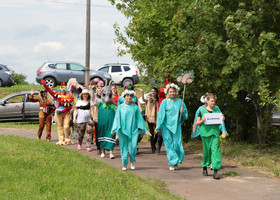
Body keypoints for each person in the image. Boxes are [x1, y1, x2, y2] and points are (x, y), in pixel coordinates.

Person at [111, 90, 150, 171]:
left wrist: (142, 129)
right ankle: (124, 164)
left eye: (130, 96)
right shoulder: (120, 107)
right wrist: (114, 128)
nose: (128, 97)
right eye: (127, 96)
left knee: (132, 147)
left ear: (132, 97)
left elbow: (139, 118)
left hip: (133, 130)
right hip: (122, 130)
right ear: (124, 97)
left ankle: (132, 161)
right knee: (123, 147)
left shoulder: (135, 107)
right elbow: (117, 118)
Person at [155, 83, 188, 171]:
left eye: (174, 91)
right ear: (167, 92)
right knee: (169, 144)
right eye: (170, 92)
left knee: (177, 144)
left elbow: (185, 116)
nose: (172, 93)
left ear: (176, 92)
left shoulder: (180, 101)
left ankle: (177, 160)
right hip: (166, 126)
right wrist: (158, 126)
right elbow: (161, 115)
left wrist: (182, 112)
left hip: (176, 125)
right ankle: (172, 162)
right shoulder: (164, 102)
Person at [194, 93, 226, 180]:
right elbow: (197, 123)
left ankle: (215, 171)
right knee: (206, 151)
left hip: (215, 133)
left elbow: (219, 121)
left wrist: (222, 118)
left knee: (216, 151)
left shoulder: (217, 110)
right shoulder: (202, 111)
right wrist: (203, 120)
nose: (213, 103)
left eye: (214, 101)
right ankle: (204, 167)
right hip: (205, 134)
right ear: (207, 101)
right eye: (211, 101)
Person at [41, 80, 75, 145]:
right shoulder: (57, 96)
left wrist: (65, 109)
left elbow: (71, 106)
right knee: (60, 126)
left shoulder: (69, 97)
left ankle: (67, 138)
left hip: (66, 113)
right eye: (61, 91)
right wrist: (45, 85)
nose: (62, 92)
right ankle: (61, 139)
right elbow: (50, 91)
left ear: (66, 91)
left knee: (66, 126)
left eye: (63, 91)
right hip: (59, 113)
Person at [137, 87, 163, 153]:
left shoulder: (158, 100)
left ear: (156, 92)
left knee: (157, 133)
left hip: (156, 118)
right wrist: (142, 92)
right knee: (151, 133)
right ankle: (152, 148)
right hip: (149, 118)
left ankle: (154, 144)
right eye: (152, 91)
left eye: (154, 91)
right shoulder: (149, 99)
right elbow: (143, 100)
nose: (153, 92)